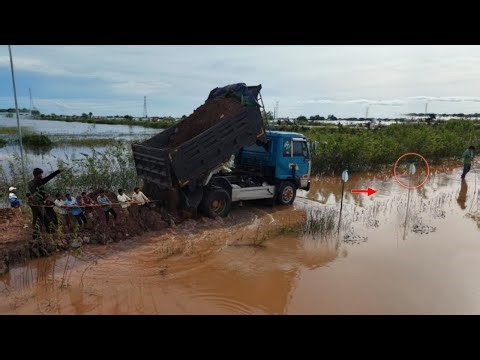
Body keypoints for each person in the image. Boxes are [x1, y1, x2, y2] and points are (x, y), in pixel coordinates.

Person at [27, 167, 64, 233]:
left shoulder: (30, 183)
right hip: (42, 204)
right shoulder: (39, 181)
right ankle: (50, 232)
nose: (41, 176)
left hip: (35, 204)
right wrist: (58, 171)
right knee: (49, 217)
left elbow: (32, 194)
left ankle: (38, 234)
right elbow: (49, 177)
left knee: (38, 218)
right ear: (37, 175)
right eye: (40, 174)